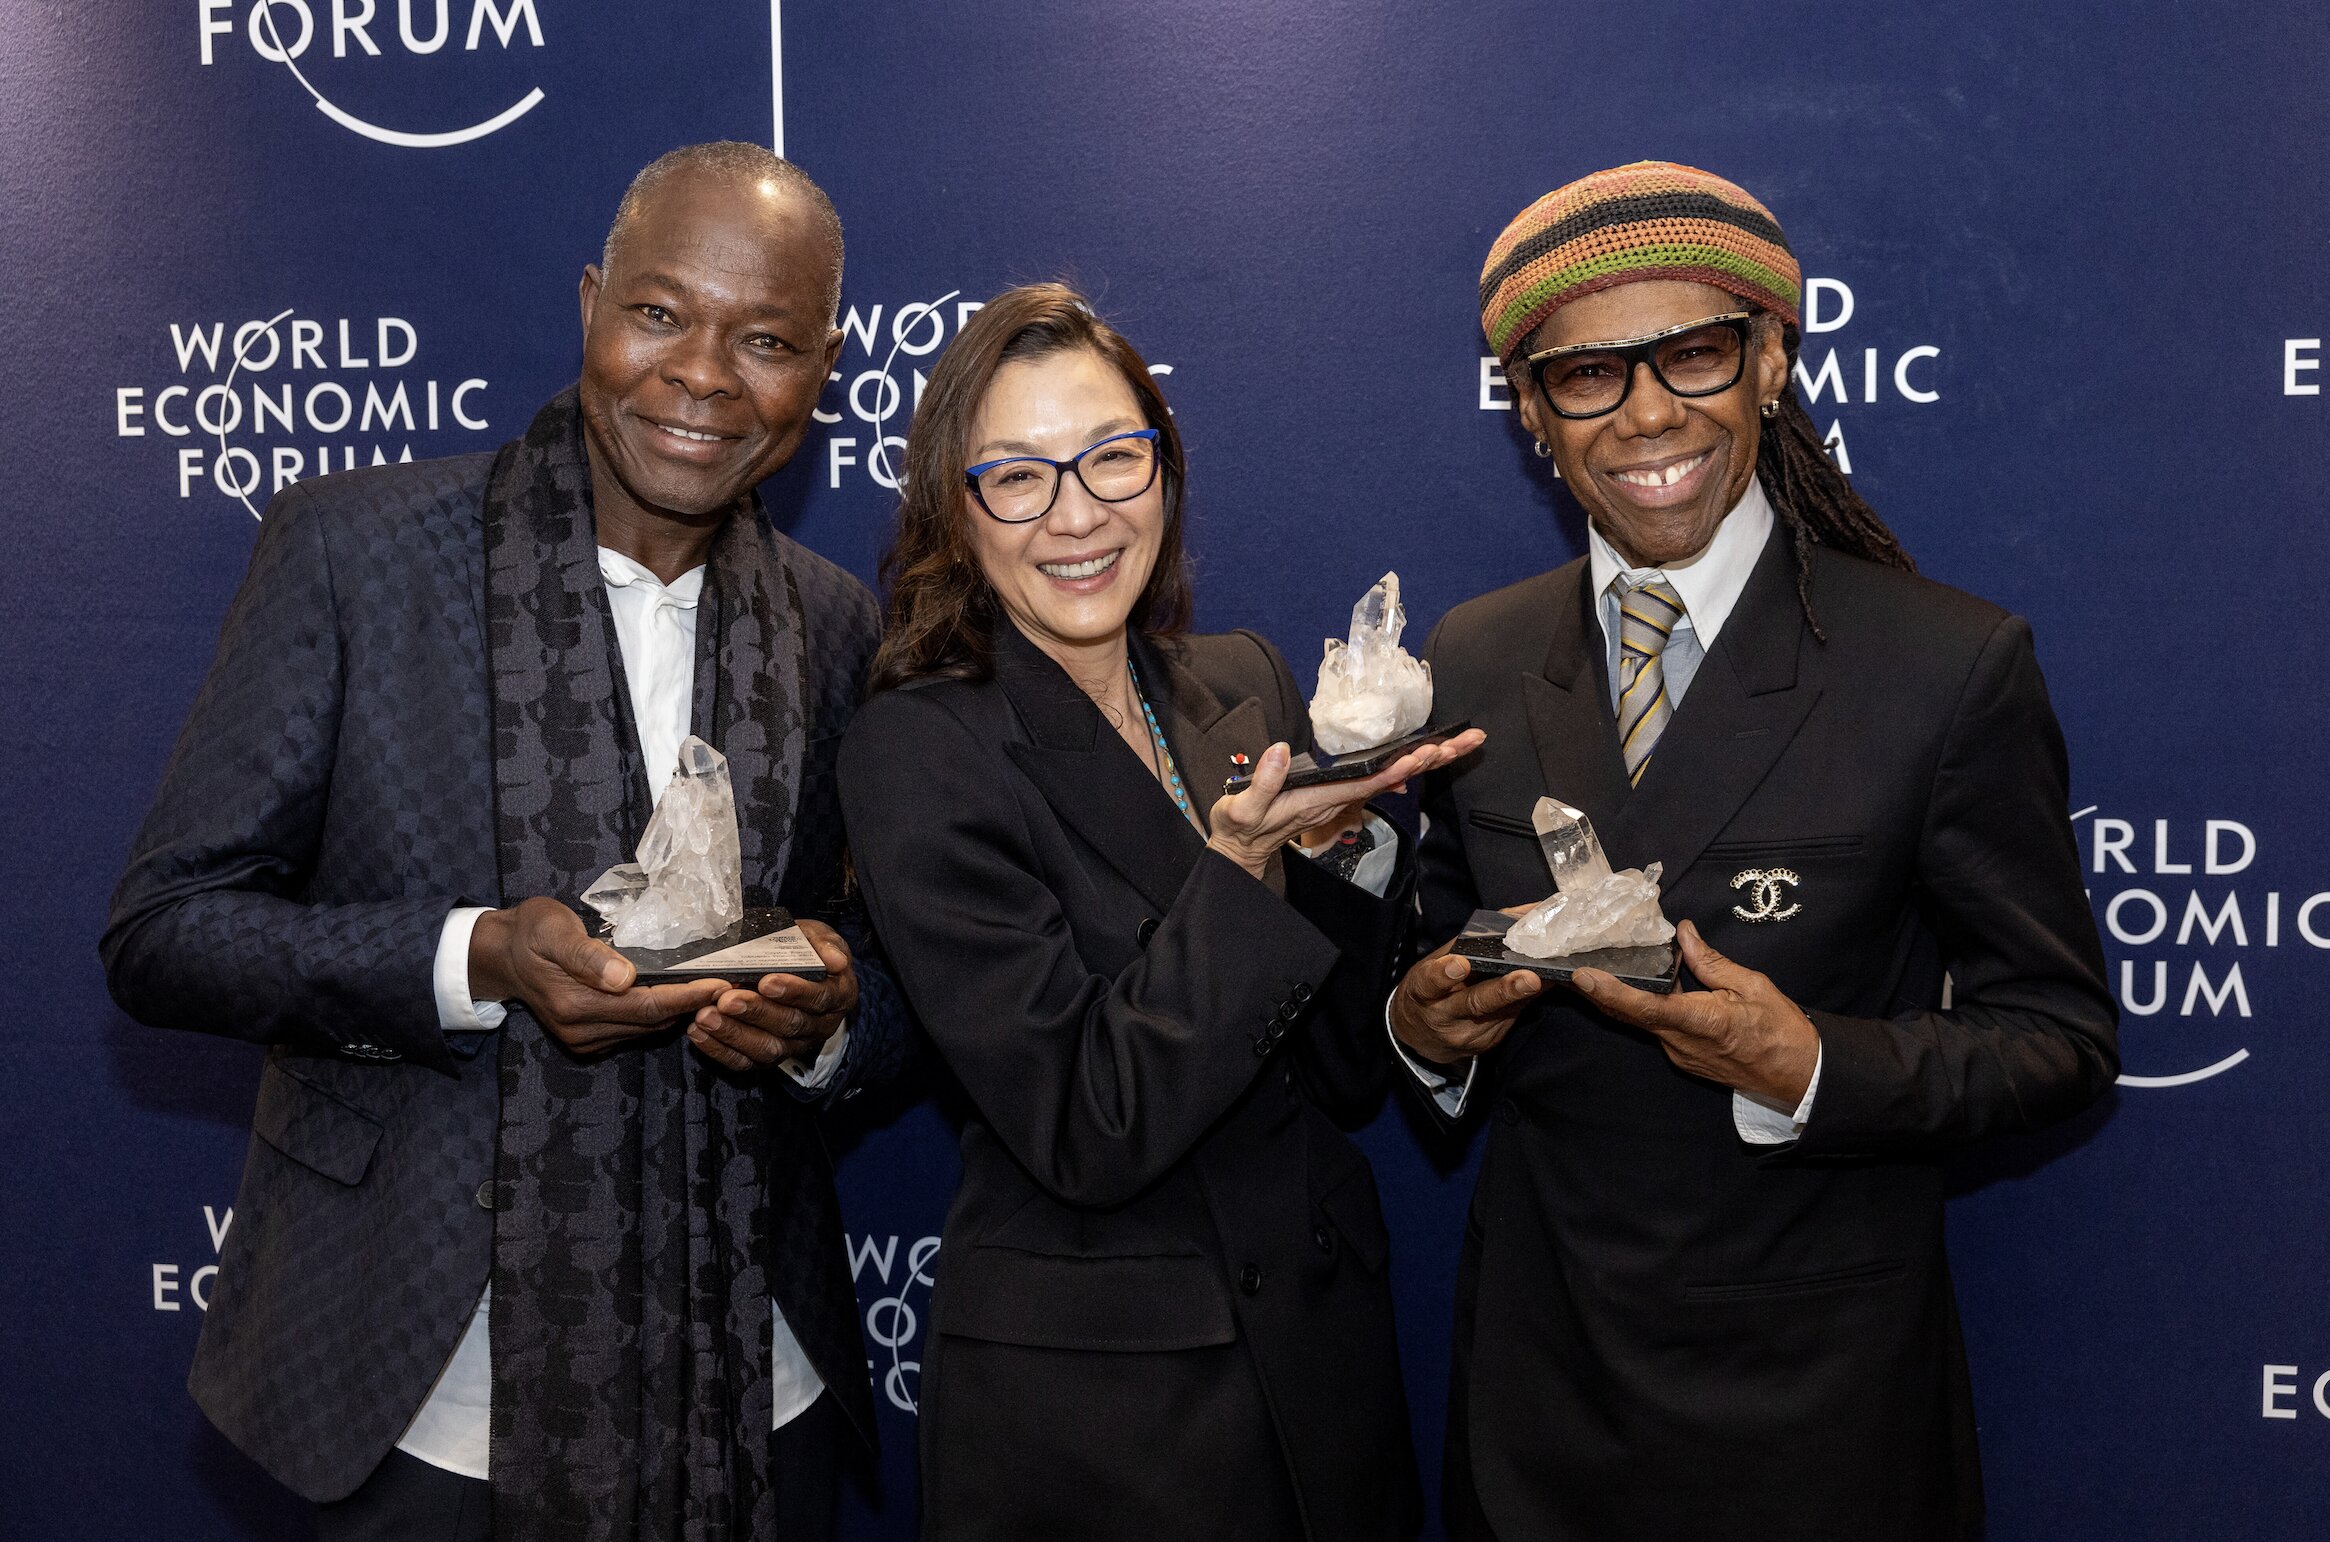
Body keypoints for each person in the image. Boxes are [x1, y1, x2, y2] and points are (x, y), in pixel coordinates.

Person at [101, 143, 905, 1542]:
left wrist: (825, 1017)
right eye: (659, 313)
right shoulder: (357, 552)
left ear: (821, 371)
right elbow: (167, 929)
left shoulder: (835, 623)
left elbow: (896, 973)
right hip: (425, 1395)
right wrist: (475, 958)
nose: (704, 374)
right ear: (592, 303)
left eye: (765, 339)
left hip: (749, 1385)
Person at [1387, 161, 2119, 1540]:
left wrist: (1817, 1066)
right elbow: (1432, 952)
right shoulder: (1471, 655)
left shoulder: (1942, 662)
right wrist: (1421, 1025)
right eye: (1589, 375)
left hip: (1818, 1407)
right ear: (1533, 413)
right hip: (1543, 1390)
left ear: (1769, 360)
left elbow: (2058, 1034)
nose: (1648, 411)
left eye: (1694, 353)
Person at [840, 283, 1476, 1541]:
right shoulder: (919, 748)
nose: (1078, 514)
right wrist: (1237, 873)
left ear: (1163, 470)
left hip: (1323, 1366)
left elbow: (1340, 1073)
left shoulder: (1235, 679)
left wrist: (1347, 855)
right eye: (1017, 478)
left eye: (1113, 459)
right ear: (953, 517)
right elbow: (1088, 1121)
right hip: (1106, 1423)